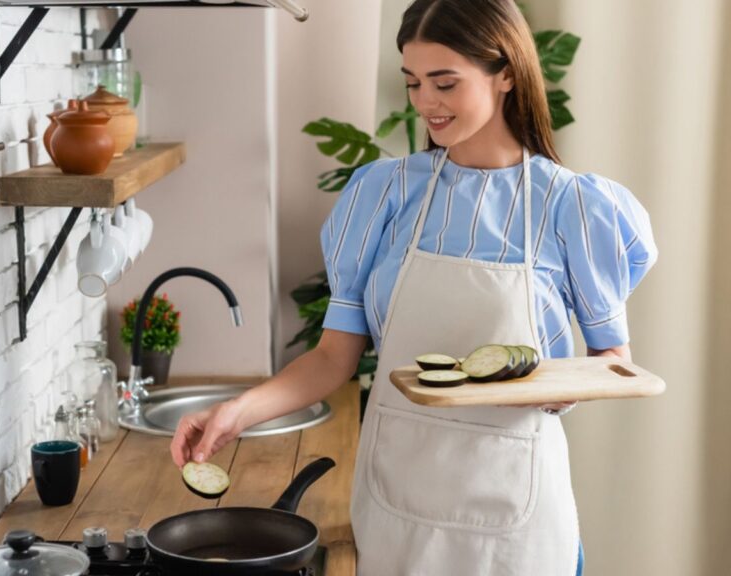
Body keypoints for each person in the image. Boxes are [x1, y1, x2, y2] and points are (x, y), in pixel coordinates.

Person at [170, 0, 658, 574]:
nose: (426, 102)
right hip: (397, 501)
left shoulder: (573, 206)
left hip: (517, 514)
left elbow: (611, 361)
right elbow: (333, 359)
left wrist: (560, 389)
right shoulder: (382, 193)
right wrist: (238, 411)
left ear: (506, 73)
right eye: (414, 82)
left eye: (445, 82)